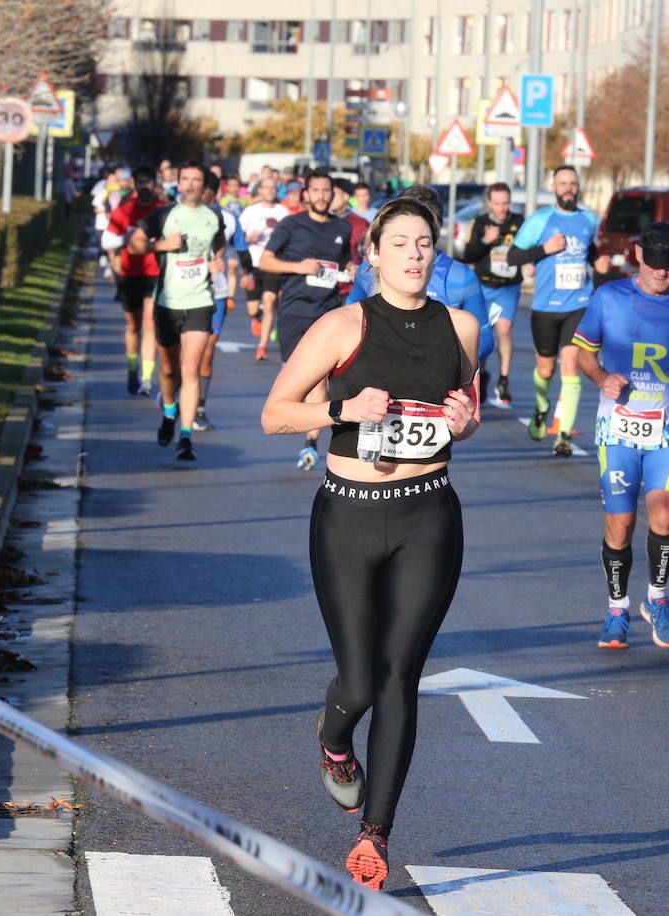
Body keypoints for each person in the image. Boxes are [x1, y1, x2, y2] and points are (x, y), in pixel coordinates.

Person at [259, 196, 480, 891]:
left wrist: (467, 420)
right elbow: (274, 414)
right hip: (349, 517)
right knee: (357, 681)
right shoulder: (341, 326)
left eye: (425, 243)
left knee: (398, 677)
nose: (415, 254)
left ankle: (375, 837)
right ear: (375, 254)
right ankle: (333, 740)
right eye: (401, 243)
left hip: (428, 518)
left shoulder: (464, 327)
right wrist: (341, 409)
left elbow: (467, 415)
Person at [574, 223, 669, 650]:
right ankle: (616, 609)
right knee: (620, 524)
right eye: (655, 264)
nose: (662, 273)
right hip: (617, 428)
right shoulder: (609, 297)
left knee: (664, 514)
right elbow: (585, 350)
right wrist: (601, 377)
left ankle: (656, 599)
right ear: (638, 255)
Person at [347, 185, 492, 393]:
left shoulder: (461, 276)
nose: (413, 252)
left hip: (436, 388)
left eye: (423, 239)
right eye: (400, 240)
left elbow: (484, 339)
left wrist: (437, 355)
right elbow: (350, 314)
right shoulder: (368, 270)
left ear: (436, 227)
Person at [126, 162, 227, 461]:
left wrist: (216, 260)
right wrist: (161, 245)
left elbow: (219, 241)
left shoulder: (213, 216)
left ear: (204, 185)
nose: (191, 185)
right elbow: (133, 245)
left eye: (197, 180)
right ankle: (169, 410)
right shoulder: (164, 215)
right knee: (168, 369)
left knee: (190, 369)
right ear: (179, 184)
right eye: (186, 179)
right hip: (168, 302)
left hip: (200, 301)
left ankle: (186, 437)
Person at [508, 165, 611, 456]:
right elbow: (514, 256)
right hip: (545, 306)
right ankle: (542, 407)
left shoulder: (590, 219)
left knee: (571, 366)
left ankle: (563, 435)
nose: (568, 188)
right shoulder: (540, 220)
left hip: (579, 304)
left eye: (573, 183)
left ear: (578, 188)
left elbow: (591, 253)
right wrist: (544, 250)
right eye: (563, 183)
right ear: (553, 187)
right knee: (546, 368)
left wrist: (599, 264)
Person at [258, 168, 356, 470]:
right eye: (316, 191)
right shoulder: (291, 225)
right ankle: (294, 422)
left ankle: (311, 442)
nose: (323, 196)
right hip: (294, 310)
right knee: (293, 376)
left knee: (319, 380)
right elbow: (265, 261)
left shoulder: (342, 228)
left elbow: (344, 262)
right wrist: (299, 267)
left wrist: (351, 266)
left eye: (327, 191)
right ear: (306, 195)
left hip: (327, 312)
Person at [194, 174, 256, 431]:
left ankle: (199, 407)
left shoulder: (228, 219)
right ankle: (176, 393)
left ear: (214, 192)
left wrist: (248, 274)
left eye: (207, 189)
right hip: (184, 293)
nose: (202, 193)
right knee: (185, 353)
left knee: (207, 350)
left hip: (216, 292)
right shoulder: (181, 215)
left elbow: (241, 249)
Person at [101, 163, 169, 396]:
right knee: (133, 325)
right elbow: (107, 241)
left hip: (155, 273)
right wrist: (127, 239)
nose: (144, 186)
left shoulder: (163, 209)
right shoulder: (124, 210)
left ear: (154, 184)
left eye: (148, 181)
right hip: (130, 274)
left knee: (150, 324)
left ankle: (147, 379)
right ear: (134, 184)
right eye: (140, 182)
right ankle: (133, 368)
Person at [460, 182, 525, 407]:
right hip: (483, 286)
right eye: (497, 203)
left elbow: (529, 249)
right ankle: (483, 375)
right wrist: (485, 241)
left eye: (505, 203)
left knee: (504, 328)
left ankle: (504, 379)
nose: (502, 208)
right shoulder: (479, 223)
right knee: (483, 336)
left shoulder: (519, 223)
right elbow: (468, 255)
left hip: (508, 287)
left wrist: (530, 263)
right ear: (489, 203)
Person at [239, 177, 292, 360]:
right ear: (259, 190)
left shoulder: (283, 212)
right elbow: (238, 240)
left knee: (269, 302)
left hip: (272, 263)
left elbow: (290, 238)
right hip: (253, 263)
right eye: (266, 187)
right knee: (253, 309)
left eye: (272, 188)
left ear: (276, 190)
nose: (269, 191)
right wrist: (248, 238)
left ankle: (262, 346)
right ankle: (256, 317)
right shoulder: (249, 212)